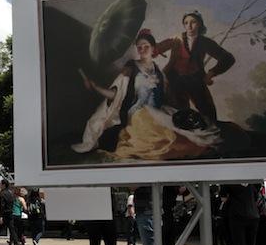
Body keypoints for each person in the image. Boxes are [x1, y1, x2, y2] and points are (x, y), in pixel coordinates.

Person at [74, 29, 220, 159]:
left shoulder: (160, 74)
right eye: (140, 47)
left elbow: (167, 98)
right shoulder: (131, 68)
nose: (143, 49)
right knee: (157, 138)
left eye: (146, 46)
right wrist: (96, 87)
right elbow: (115, 94)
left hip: (157, 111)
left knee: (184, 132)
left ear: (153, 48)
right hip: (138, 114)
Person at [155, 10, 235, 125]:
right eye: (186, 23)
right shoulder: (177, 39)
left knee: (209, 114)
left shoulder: (205, 42)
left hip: (195, 79)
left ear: (200, 24)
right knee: (176, 114)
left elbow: (228, 58)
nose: (189, 26)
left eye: (193, 22)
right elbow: (155, 49)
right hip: (174, 80)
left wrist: (211, 73)